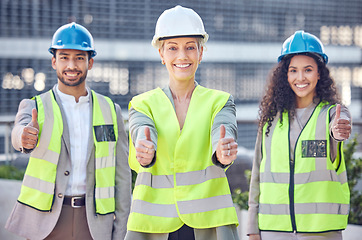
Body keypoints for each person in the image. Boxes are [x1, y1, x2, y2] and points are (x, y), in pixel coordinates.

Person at [5, 22, 131, 240]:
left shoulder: (111, 111)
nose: (71, 65)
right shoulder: (35, 106)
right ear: (54, 61)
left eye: (79, 58)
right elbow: (19, 132)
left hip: (94, 223)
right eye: (64, 57)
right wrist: (24, 137)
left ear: (90, 62)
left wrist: (120, 231)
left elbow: (122, 176)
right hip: (46, 222)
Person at [125, 5, 240, 240]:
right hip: (154, 226)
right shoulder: (142, 103)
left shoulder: (220, 101)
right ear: (161, 54)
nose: (182, 56)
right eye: (172, 48)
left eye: (190, 47)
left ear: (201, 52)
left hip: (209, 224)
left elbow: (225, 130)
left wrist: (222, 152)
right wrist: (145, 152)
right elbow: (141, 132)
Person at [247, 30, 352, 240]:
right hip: (273, 230)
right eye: (293, 70)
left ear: (319, 73)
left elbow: (339, 126)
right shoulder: (270, 119)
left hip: (321, 231)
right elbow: (257, 174)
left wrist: (340, 129)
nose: (300, 78)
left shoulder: (331, 113)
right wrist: (252, 227)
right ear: (285, 75)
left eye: (308, 70)